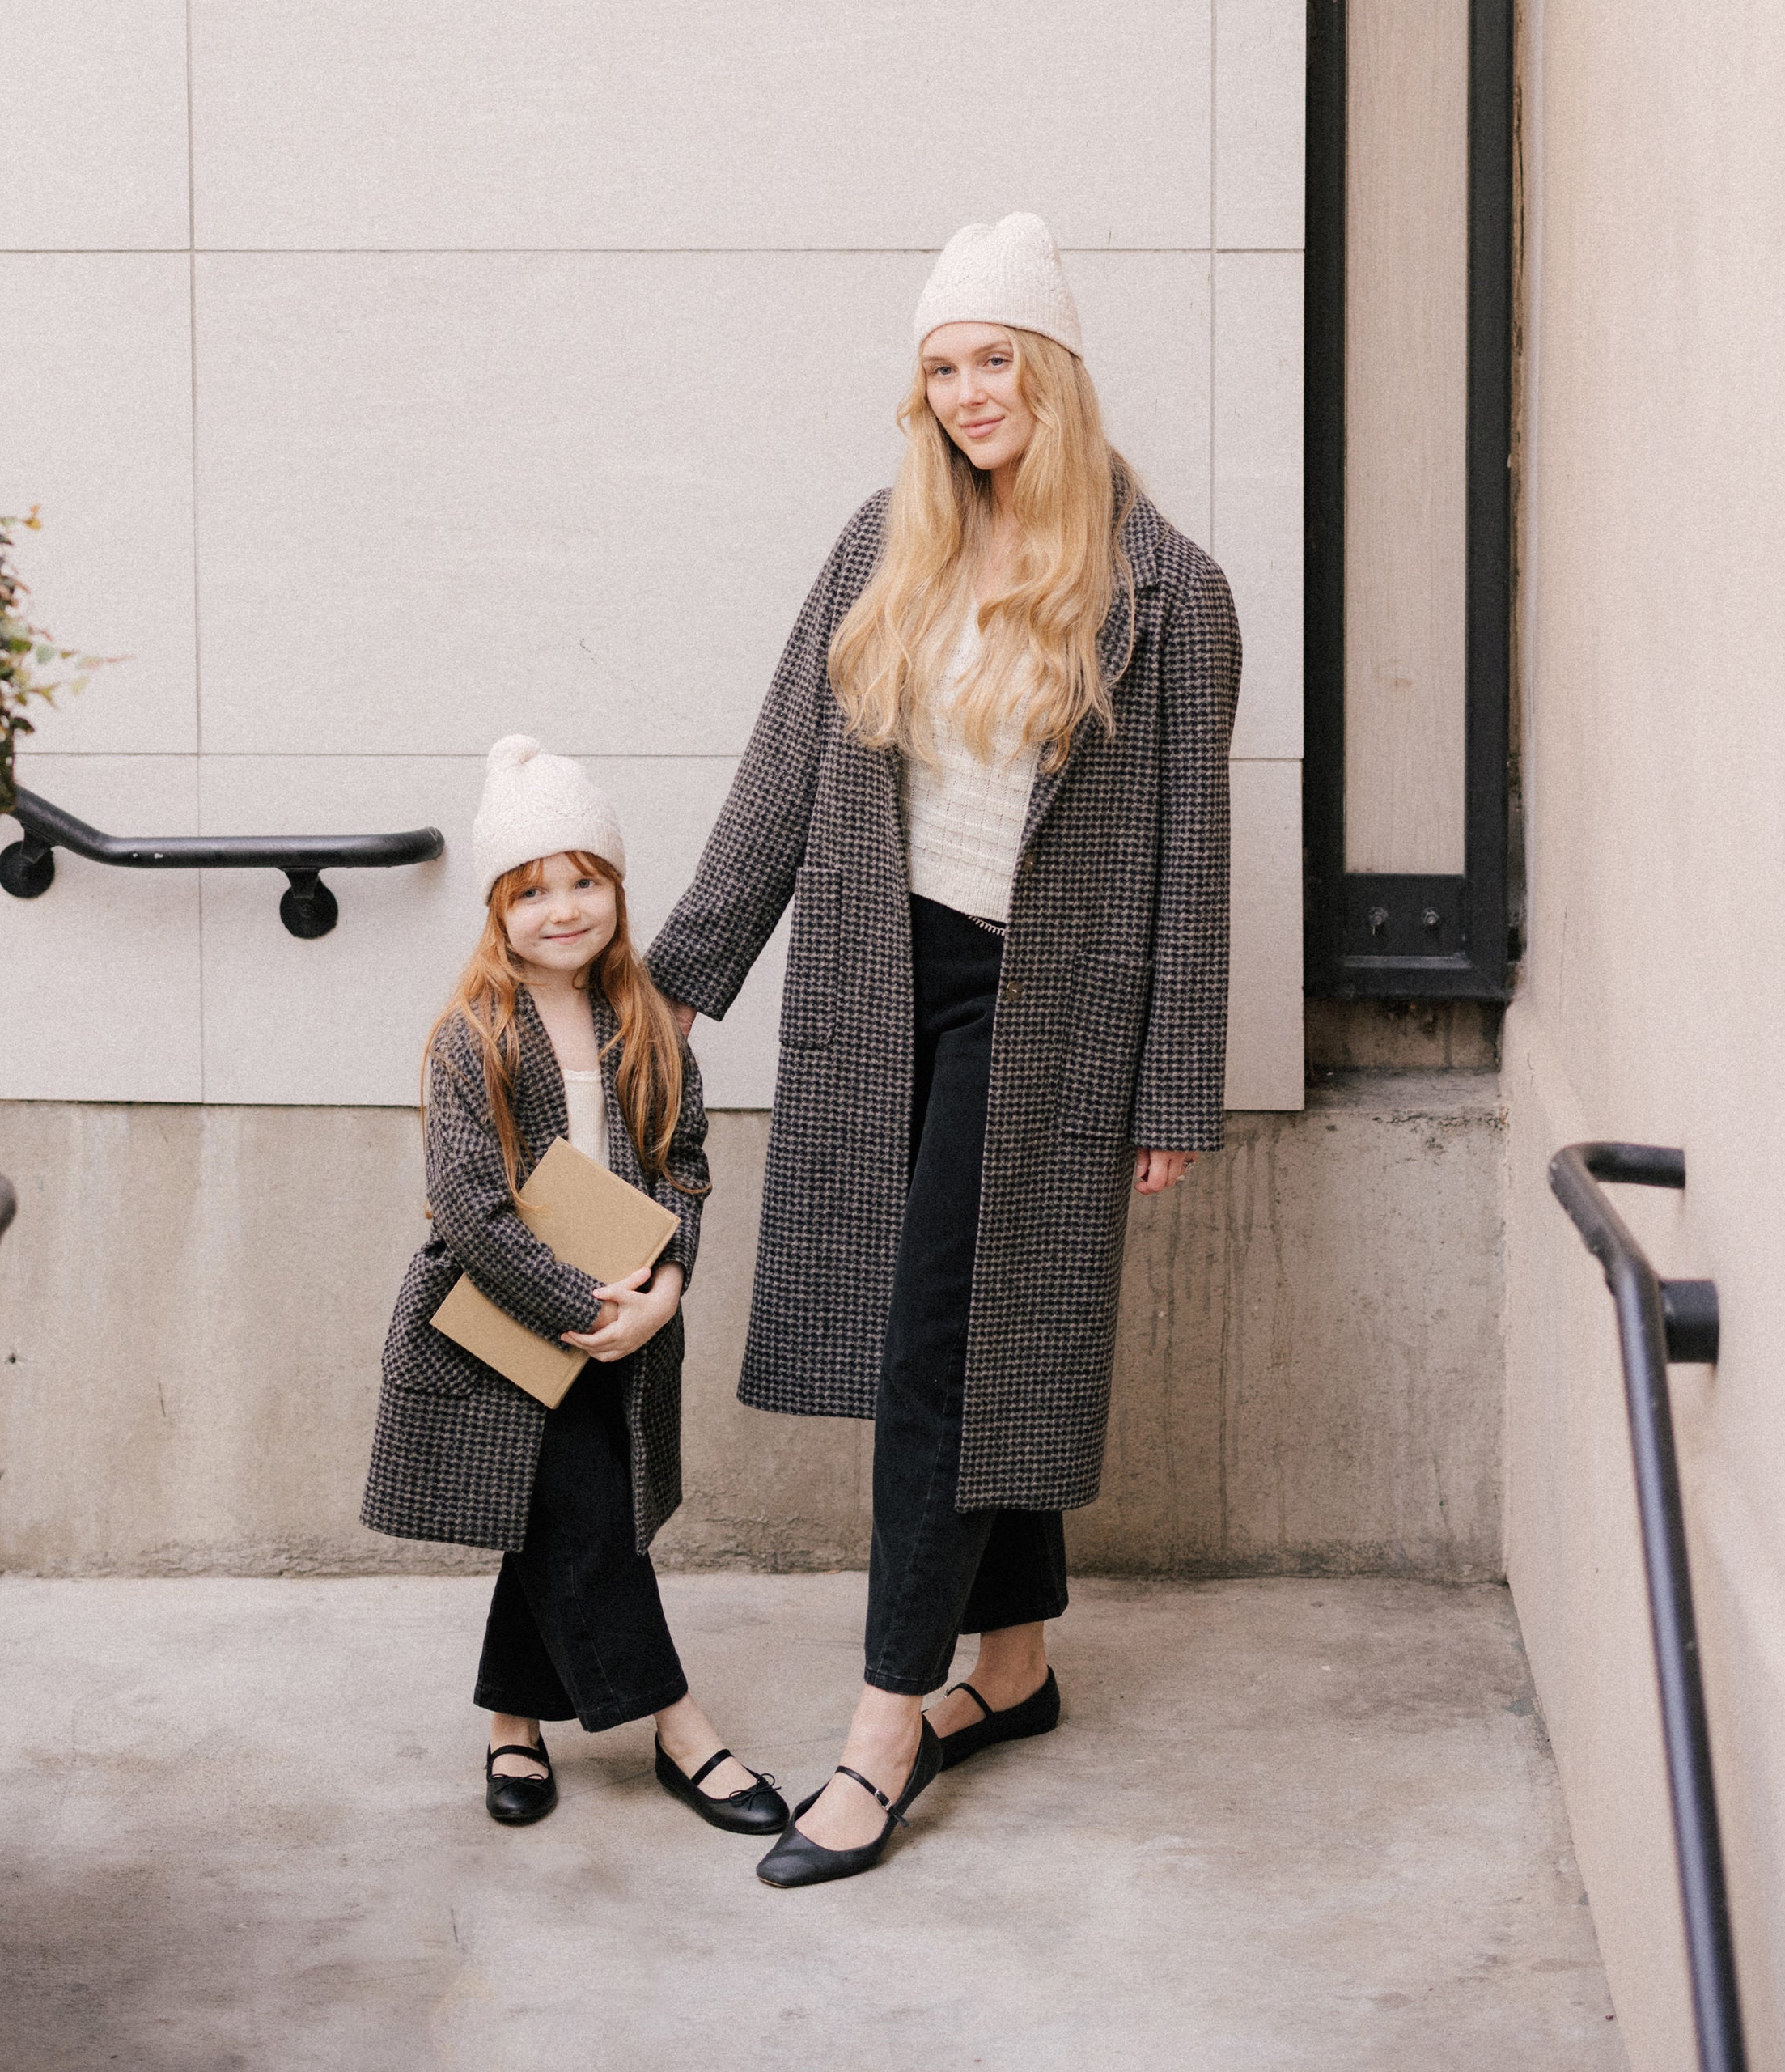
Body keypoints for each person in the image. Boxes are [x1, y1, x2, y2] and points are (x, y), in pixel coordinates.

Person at [650, 211, 1240, 1888]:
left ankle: (885, 1723)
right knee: (987, 1333)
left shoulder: (1168, 589)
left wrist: (1171, 1080)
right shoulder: (883, 541)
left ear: (1053, 370)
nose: (970, 393)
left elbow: (1191, 852)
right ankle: (1018, 1664)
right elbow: (782, 769)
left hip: (1040, 1011)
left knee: (947, 1353)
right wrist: (680, 982)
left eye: (995, 360)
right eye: (941, 368)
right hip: (878, 978)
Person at [362, 735, 786, 1837]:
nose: (563, 909)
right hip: (504, 1324)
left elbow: (685, 1166)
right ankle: (682, 1730)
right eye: (532, 890)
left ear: (618, 890)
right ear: (497, 910)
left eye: (584, 882)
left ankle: (512, 1719)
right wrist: (582, 1306)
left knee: (555, 1513)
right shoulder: (472, 1036)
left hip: (627, 1322)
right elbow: (470, 1207)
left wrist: (667, 1285)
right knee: (590, 1522)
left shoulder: (649, 1024)